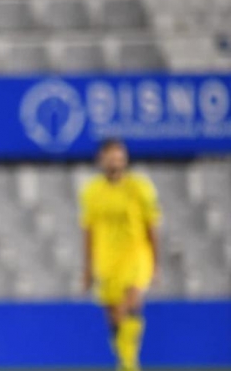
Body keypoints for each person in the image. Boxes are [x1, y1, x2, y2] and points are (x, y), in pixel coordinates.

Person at [79, 139, 161, 371]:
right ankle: (125, 361)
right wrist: (87, 269)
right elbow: (88, 231)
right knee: (114, 314)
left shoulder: (139, 187)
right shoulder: (92, 191)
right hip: (106, 261)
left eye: (119, 157)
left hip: (136, 255)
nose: (116, 162)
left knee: (132, 300)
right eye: (111, 157)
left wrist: (156, 263)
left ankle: (129, 364)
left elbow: (151, 226)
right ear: (101, 160)